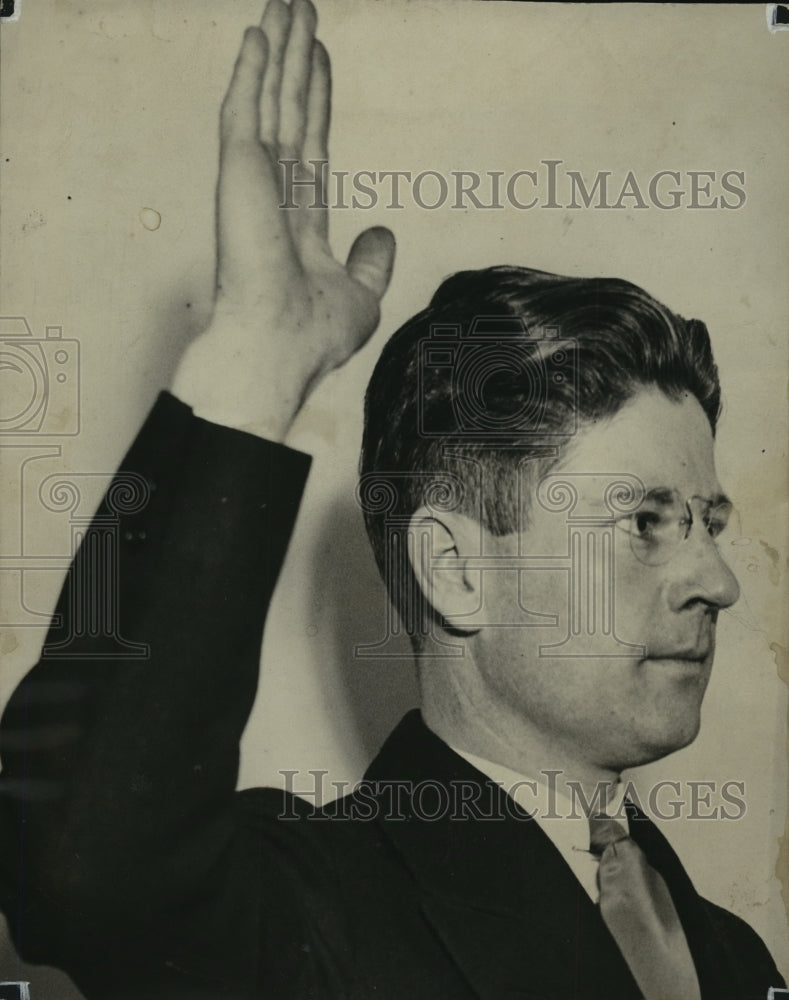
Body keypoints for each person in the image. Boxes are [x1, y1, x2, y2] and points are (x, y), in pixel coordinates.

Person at [0, 1, 784, 997]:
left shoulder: (738, 958)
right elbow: (84, 864)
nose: (718, 581)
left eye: (709, 522)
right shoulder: (316, 911)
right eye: (644, 523)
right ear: (456, 569)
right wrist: (257, 362)